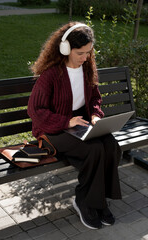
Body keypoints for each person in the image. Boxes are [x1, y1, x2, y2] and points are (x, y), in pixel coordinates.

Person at [27, 21, 122, 230]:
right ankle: (84, 202)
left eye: (89, 52)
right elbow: (35, 111)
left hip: (81, 123)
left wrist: (96, 116)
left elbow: (95, 98)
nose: (86, 57)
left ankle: (99, 202)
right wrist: (66, 121)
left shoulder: (87, 67)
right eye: (80, 53)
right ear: (65, 49)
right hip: (53, 129)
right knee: (94, 149)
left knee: (110, 145)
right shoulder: (50, 75)